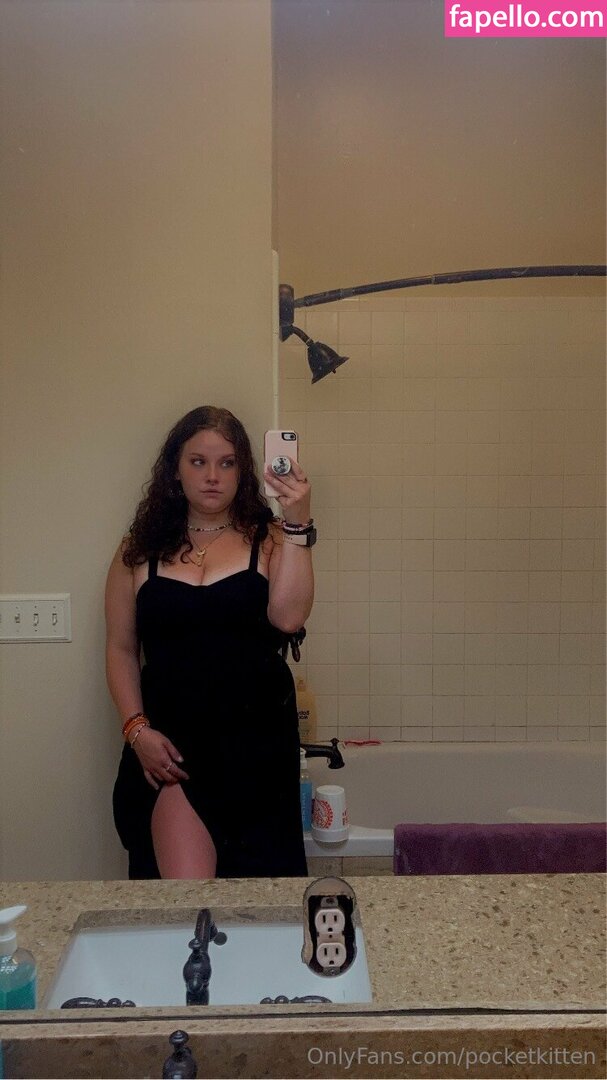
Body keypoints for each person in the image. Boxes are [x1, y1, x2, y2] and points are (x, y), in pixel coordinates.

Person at [106, 406, 314, 879]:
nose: (213, 476)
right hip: (171, 743)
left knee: (259, 901)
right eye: (198, 462)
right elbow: (120, 648)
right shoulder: (138, 549)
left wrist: (298, 522)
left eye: (227, 463)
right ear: (175, 470)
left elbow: (289, 617)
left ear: (243, 471)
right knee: (187, 901)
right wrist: (136, 729)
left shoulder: (272, 539)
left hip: (257, 744)